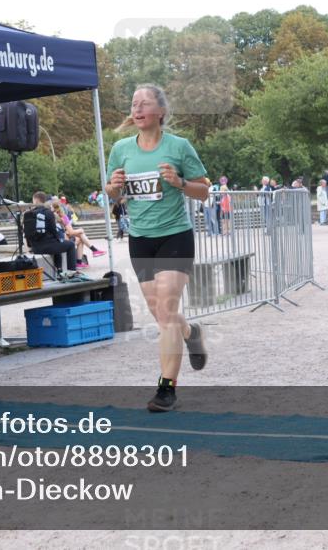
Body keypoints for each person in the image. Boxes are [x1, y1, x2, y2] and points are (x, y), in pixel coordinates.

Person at [105, 84, 210, 413]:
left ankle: (166, 389)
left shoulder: (179, 146)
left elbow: (204, 191)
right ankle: (190, 332)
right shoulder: (121, 149)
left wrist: (180, 183)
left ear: (161, 112)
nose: (137, 109)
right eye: (134, 104)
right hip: (141, 239)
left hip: (175, 236)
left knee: (165, 311)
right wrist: (114, 188)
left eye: (144, 104)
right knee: (163, 314)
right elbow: (111, 193)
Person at [23, 192, 77, 274]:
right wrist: (59, 239)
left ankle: (59, 270)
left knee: (57, 245)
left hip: (35, 247)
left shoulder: (27, 214)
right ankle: (71, 272)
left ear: (35, 200)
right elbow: (53, 230)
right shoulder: (48, 212)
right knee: (70, 245)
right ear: (44, 201)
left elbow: (26, 233)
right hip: (47, 246)